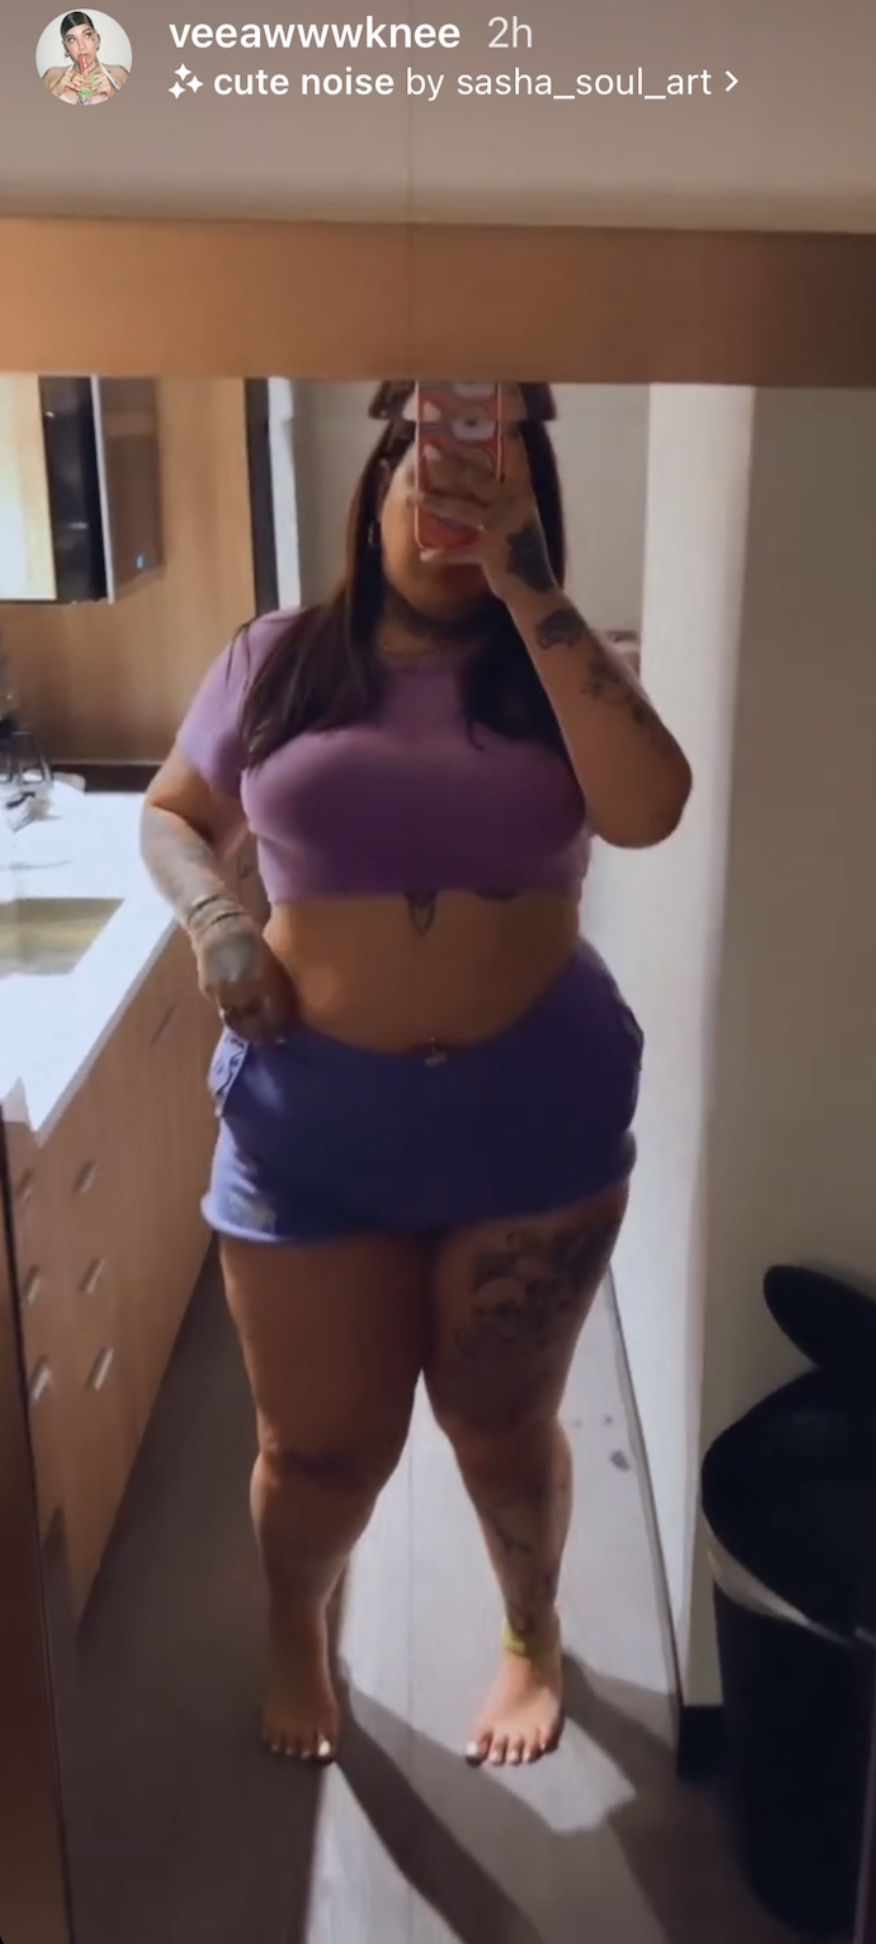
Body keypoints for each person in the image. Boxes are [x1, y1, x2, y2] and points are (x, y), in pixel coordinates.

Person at [141, 381, 692, 1770]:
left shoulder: (564, 661)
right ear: (380, 476)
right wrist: (215, 921)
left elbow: (650, 808)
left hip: (535, 1114)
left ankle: (531, 1634)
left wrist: (529, 586)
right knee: (320, 1448)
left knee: (500, 1430)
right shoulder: (276, 658)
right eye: (433, 466)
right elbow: (172, 816)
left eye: (494, 476)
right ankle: (296, 1622)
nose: (455, 498)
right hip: (312, 1122)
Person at [42, 11, 128, 103]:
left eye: (87, 35)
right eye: (72, 39)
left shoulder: (119, 73)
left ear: (96, 38)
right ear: (65, 45)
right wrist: (56, 91)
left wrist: (113, 92)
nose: (81, 46)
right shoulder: (52, 75)